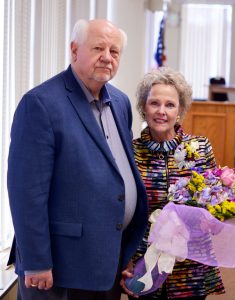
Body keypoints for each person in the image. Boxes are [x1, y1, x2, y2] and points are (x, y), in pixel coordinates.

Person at [7, 19, 148, 300]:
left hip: (107, 260)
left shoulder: (120, 103)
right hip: (59, 266)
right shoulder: (40, 104)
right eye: (98, 48)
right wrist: (36, 262)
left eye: (115, 51)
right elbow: (26, 194)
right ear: (74, 51)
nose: (107, 57)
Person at [122, 67, 225, 299]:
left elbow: (214, 203)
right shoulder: (131, 150)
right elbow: (123, 210)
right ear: (143, 107)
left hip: (190, 263)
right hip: (144, 262)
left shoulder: (200, 148)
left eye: (169, 105)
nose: (161, 111)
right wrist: (125, 258)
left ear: (179, 110)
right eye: (154, 103)